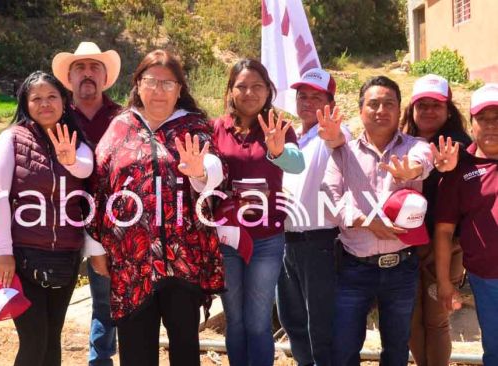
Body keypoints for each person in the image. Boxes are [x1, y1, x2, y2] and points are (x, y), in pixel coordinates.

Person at [86, 49, 226, 366]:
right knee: (135, 351)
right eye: (151, 81)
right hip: (131, 260)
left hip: (184, 259)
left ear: (180, 88)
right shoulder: (120, 128)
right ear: (138, 84)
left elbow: (217, 174)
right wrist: (95, 247)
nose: (159, 90)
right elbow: (98, 186)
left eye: (168, 83)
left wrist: (200, 171)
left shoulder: (194, 126)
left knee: (185, 348)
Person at [322, 76, 435, 366]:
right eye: (373, 103)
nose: (381, 110)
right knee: (344, 348)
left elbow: (425, 161)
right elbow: (329, 199)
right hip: (353, 268)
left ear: (399, 111)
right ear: (361, 111)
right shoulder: (343, 152)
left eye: (389, 104)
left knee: (396, 349)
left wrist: (411, 171)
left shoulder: (415, 146)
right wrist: (368, 220)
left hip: (402, 268)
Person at [0, 71, 94, 366]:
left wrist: (69, 158)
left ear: (64, 101)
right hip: (24, 256)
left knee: (52, 337)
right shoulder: (11, 139)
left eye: (52, 97)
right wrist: (4, 253)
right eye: (36, 98)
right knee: (34, 340)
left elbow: (86, 169)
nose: (45, 104)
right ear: (25, 103)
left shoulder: (75, 139)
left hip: (65, 256)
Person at [208, 58, 303, 366]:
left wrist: (276, 150)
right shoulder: (215, 129)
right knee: (235, 319)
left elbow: (296, 164)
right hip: (227, 237)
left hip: (267, 238)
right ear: (230, 90)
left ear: (268, 90)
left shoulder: (279, 127)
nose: (249, 92)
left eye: (257, 86)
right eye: (242, 86)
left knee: (258, 321)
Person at [52, 41, 122, 366]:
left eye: (94, 67)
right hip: (58, 224)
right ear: (69, 78)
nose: (87, 74)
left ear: (105, 77)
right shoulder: (53, 116)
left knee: (105, 301)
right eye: (80, 68)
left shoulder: (123, 118)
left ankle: (100, 361)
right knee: (51, 303)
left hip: (111, 223)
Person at [276, 67, 350, 366]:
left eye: (315, 97)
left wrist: (334, 133)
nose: (306, 102)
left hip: (319, 243)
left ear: (330, 103)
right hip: (288, 243)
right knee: (294, 323)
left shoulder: (330, 134)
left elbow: (340, 140)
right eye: (301, 95)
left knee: (321, 329)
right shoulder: (298, 139)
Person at [400, 74, 472, 366]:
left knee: (436, 320)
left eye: (436, 105)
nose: (429, 111)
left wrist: (450, 169)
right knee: (412, 319)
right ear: (412, 109)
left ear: (449, 110)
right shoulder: (403, 143)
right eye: (422, 105)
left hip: (446, 248)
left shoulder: (463, 147)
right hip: (406, 245)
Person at [435, 83, 498, 366]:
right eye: (483, 118)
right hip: (487, 279)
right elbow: (444, 230)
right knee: (495, 350)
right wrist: (445, 282)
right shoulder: (460, 169)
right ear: (471, 124)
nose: (491, 126)